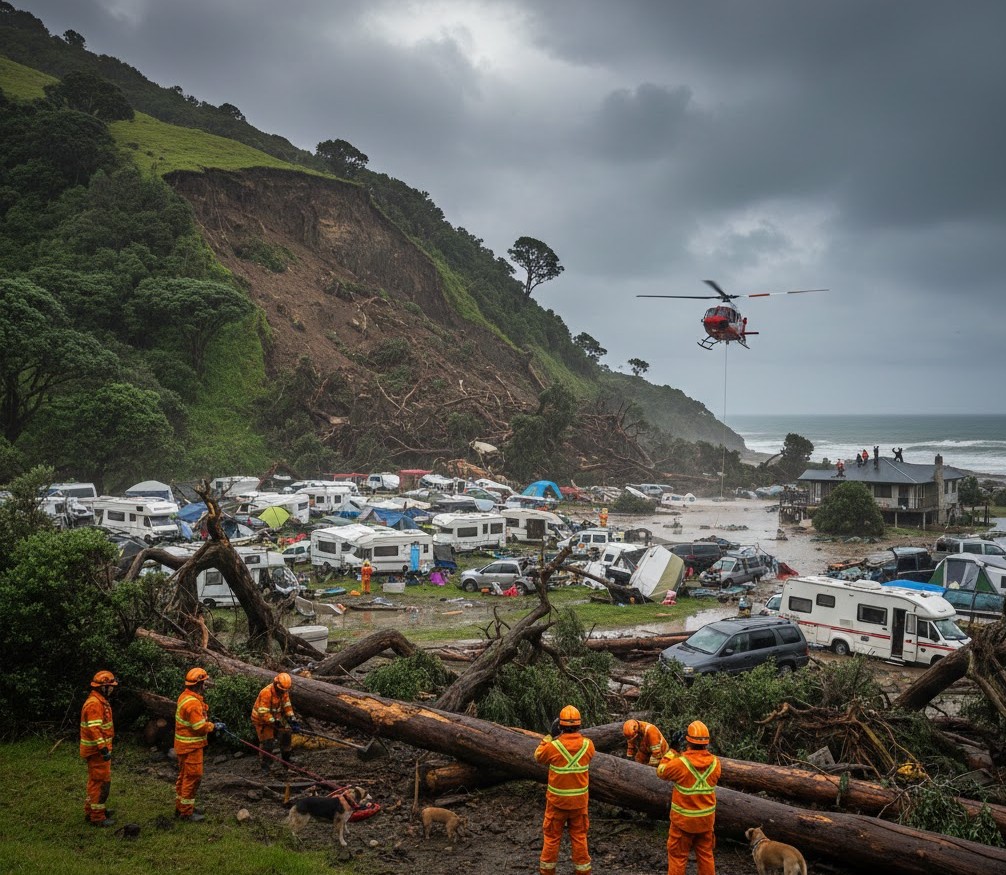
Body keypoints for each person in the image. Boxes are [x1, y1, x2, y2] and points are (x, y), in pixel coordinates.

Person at [534, 705, 595, 875]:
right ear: (579, 725)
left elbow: (538, 756)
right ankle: (583, 871)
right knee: (580, 838)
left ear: (559, 726)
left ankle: (547, 872)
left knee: (552, 839)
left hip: (557, 803)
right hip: (579, 804)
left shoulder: (553, 747)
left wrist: (549, 737)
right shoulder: (588, 746)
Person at [656, 720, 722, 875]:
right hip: (706, 821)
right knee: (706, 855)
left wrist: (672, 750)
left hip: (683, 822)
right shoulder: (715, 763)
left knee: (678, 857)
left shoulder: (680, 764)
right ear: (706, 743)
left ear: (687, 741)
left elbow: (661, 771)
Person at [174, 667, 223, 822]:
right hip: (191, 747)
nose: (205, 686)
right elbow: (198, 727)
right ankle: (186, 813)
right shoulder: (193, 703)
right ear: (199, 684)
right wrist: (214, 726)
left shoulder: (185, 696)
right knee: (193, 777)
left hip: (183, 745)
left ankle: (181, 807)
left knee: (184, 777)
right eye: (204, 683)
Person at [80, 670, 118, 827]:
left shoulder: (98, 700)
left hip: (97, 750)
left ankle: (93, 810)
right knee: (101, 782)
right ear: (104, 687)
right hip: (97, 752)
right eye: (111, 686)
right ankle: (97, 817)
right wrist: (103, 749)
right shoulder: (95, 704)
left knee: (95, 782)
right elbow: (94, 729)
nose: (113, 689)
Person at [251, 672, 301, 776]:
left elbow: (287, 706)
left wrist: (292, 720)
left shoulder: (284, 692)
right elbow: (263, 713)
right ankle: (266, 768)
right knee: (267, 743)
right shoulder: (266, 692)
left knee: (287, 734)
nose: (283, 692)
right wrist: (274, 722)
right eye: (281, 690)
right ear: (275, 683)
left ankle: (286, 762)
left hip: (276, 717)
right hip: (261, 721)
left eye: (284, 691)